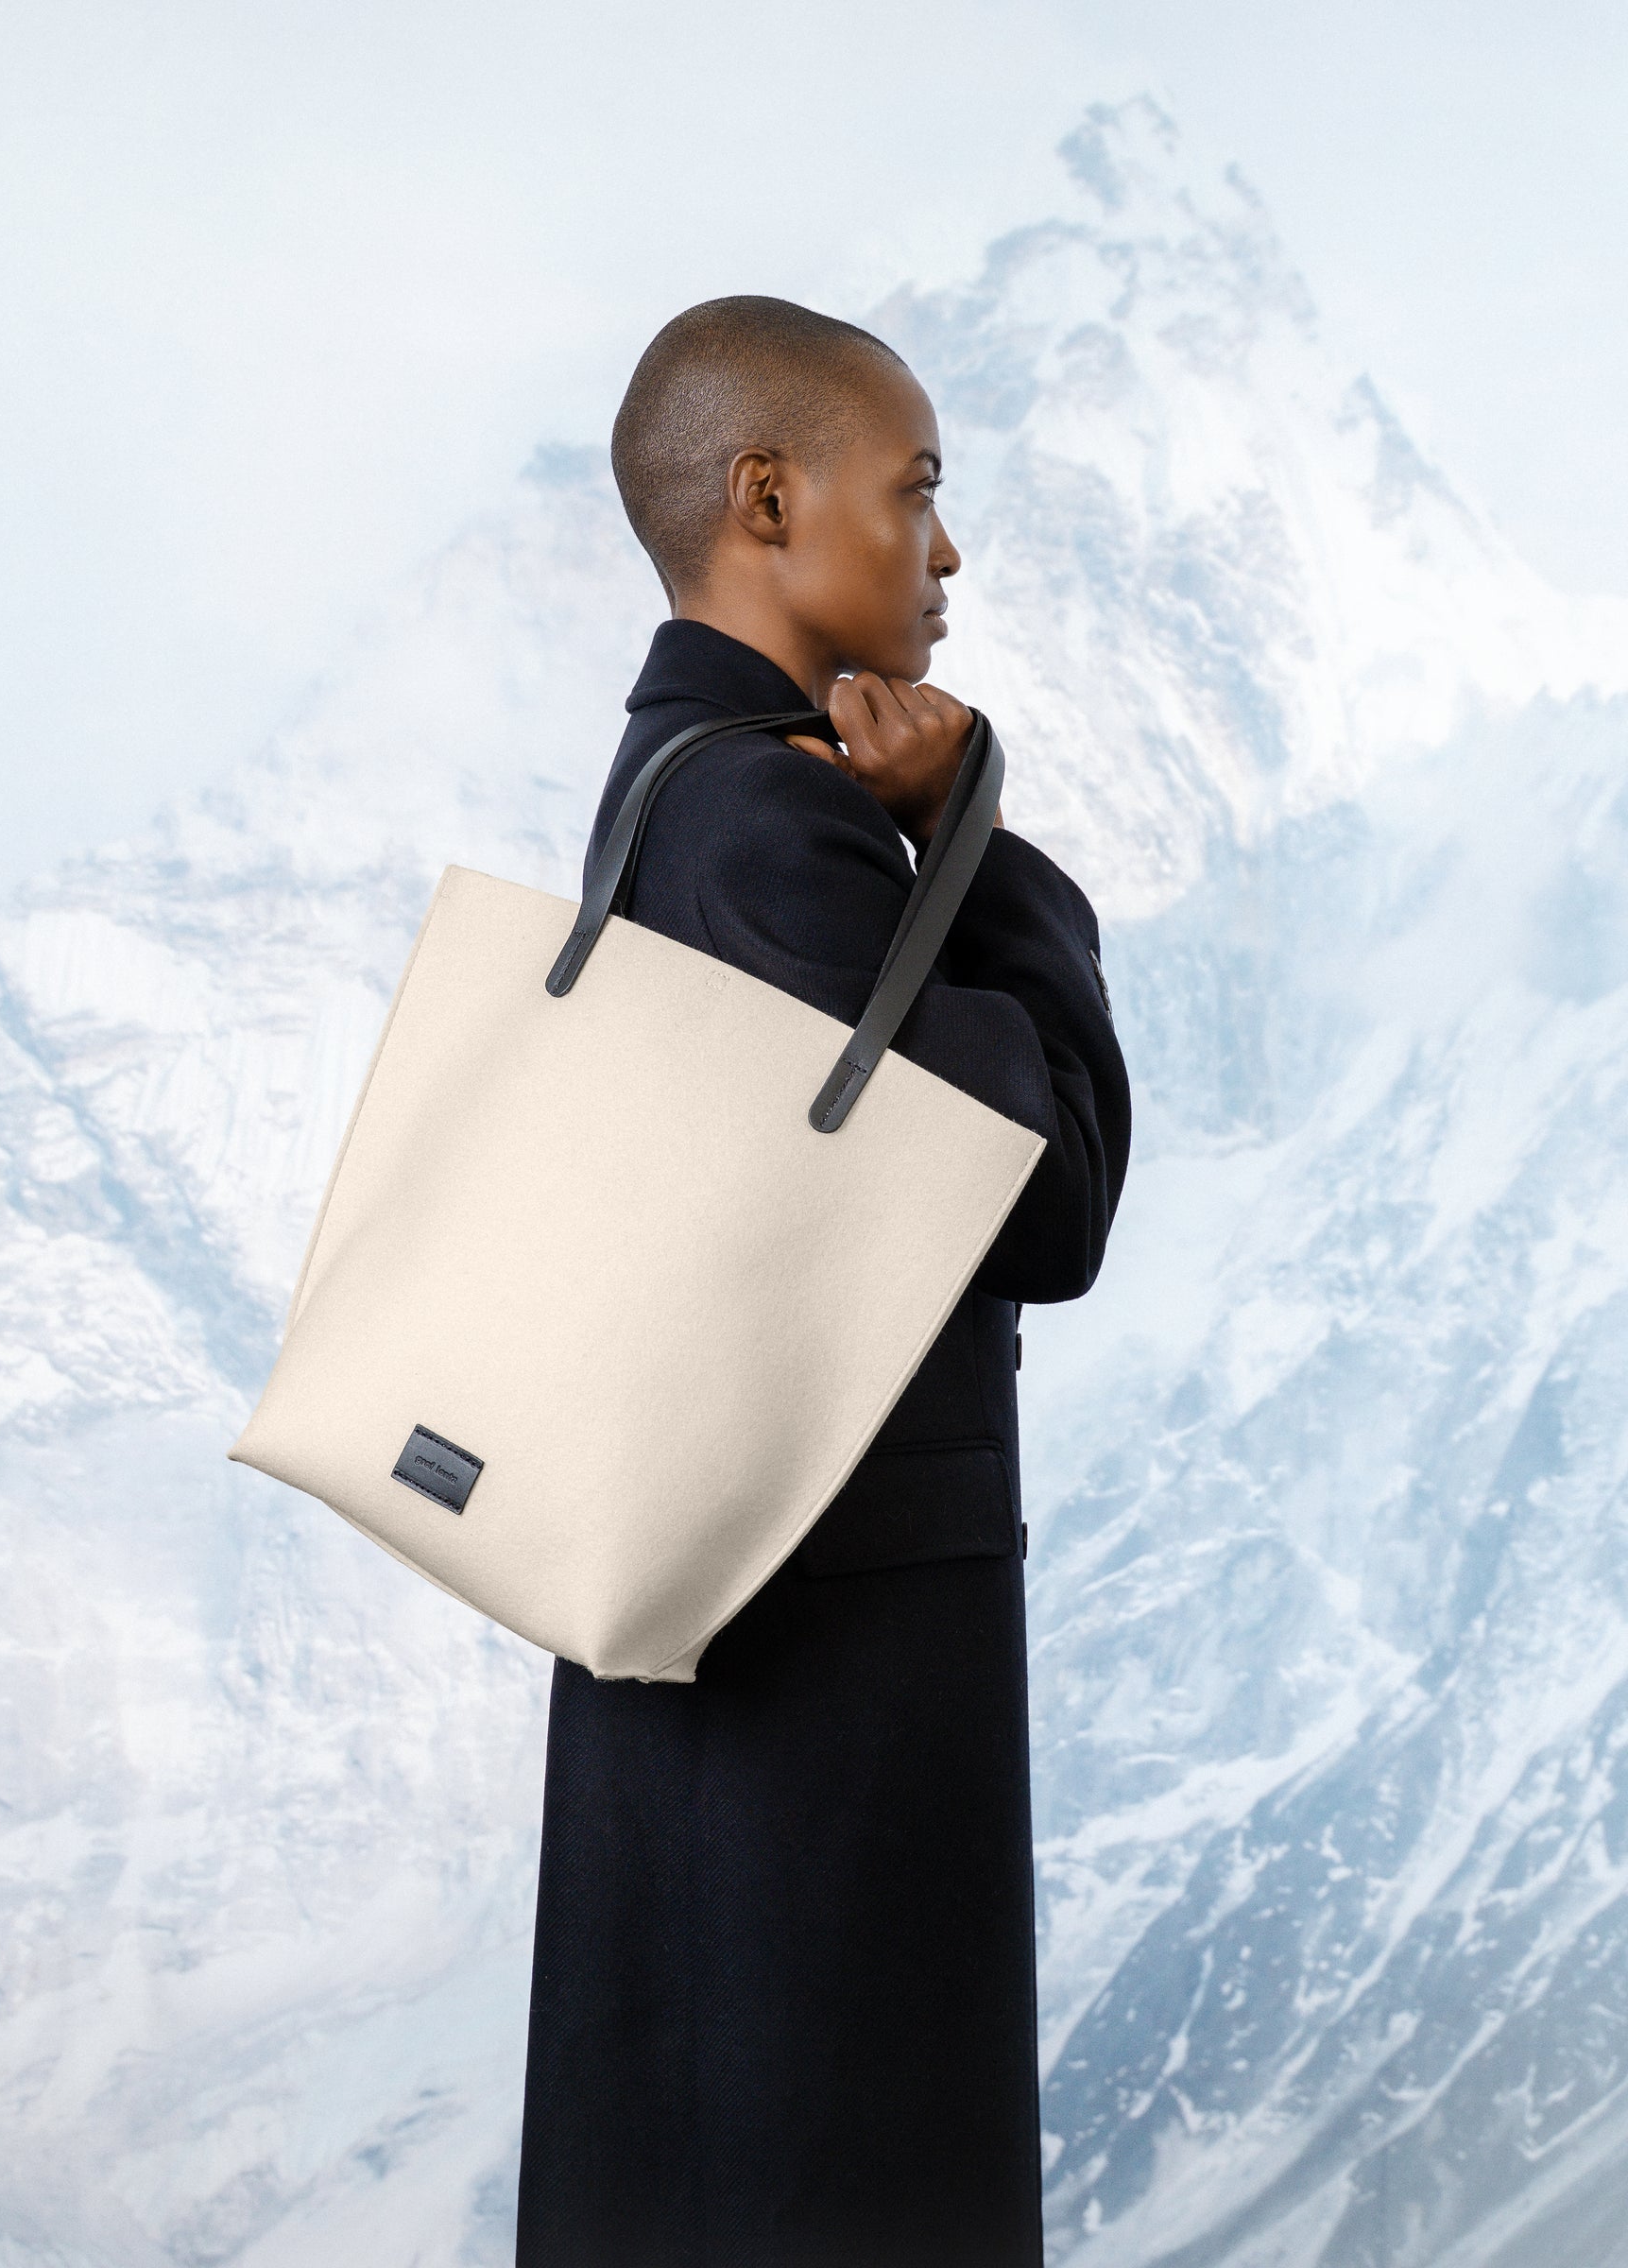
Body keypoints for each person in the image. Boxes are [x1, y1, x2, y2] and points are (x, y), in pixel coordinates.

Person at [514, 296, 1131, 2268]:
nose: (946, 554)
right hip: (826, 1695)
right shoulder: (770, 815)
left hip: (753, 1631)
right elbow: (1051, 1204)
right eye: (919, 492)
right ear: (767, 499)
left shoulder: (677, 791)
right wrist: (983, 845)